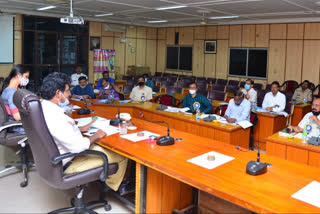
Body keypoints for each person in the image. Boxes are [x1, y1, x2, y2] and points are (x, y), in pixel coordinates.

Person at [40, 72, 128, 191]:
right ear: (57, 93)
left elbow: (59, 132)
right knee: (121, 155)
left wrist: (79, 129)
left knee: (103, 149)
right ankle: (112, 187)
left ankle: (108, 181)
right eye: (67, 91)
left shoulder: (42, 107)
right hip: (68, 162)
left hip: (51, 159)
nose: (69, 94)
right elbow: (78, 147)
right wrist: (96, 136)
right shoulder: (57, 117)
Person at [1, 65, 30, 134]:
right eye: (26, 76)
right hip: (17, 127)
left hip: (16, 125)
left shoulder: (10, 90)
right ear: (19, 75)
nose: (27, 79)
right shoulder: (11, 93)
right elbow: (17, 116)